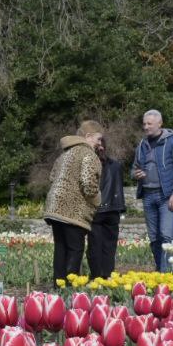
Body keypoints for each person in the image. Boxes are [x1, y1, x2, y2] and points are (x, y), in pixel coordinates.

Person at [44, 121, 103, 287]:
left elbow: (52, 178)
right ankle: (70, 287)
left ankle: (58, 287)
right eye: (98, 139)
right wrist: (97, 199)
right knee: (75, 249)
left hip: (55, 208)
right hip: (73, 211)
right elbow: (88, 184)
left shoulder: (64, 155)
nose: (100, 143)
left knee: (60, 248)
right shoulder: (88, 154)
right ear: (88, 136)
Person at [133, 109, 173, 273]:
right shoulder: (142, 144)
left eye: (149, 123)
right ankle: (160, 269)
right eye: (144, 124)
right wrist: (136, 174)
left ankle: (166, 275)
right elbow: (134, 168)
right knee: (154, 237)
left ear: (160, 123)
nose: (146, 127)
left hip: (167, 196)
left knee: (166, 236)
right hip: (148, 195)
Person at [87, 135, 125, 279]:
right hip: (113, 208)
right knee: (108, 246)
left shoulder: (91, 164)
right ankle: (107, 275)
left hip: (98, 209)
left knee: (96, 246)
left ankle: (98, 276)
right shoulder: (116, 165)